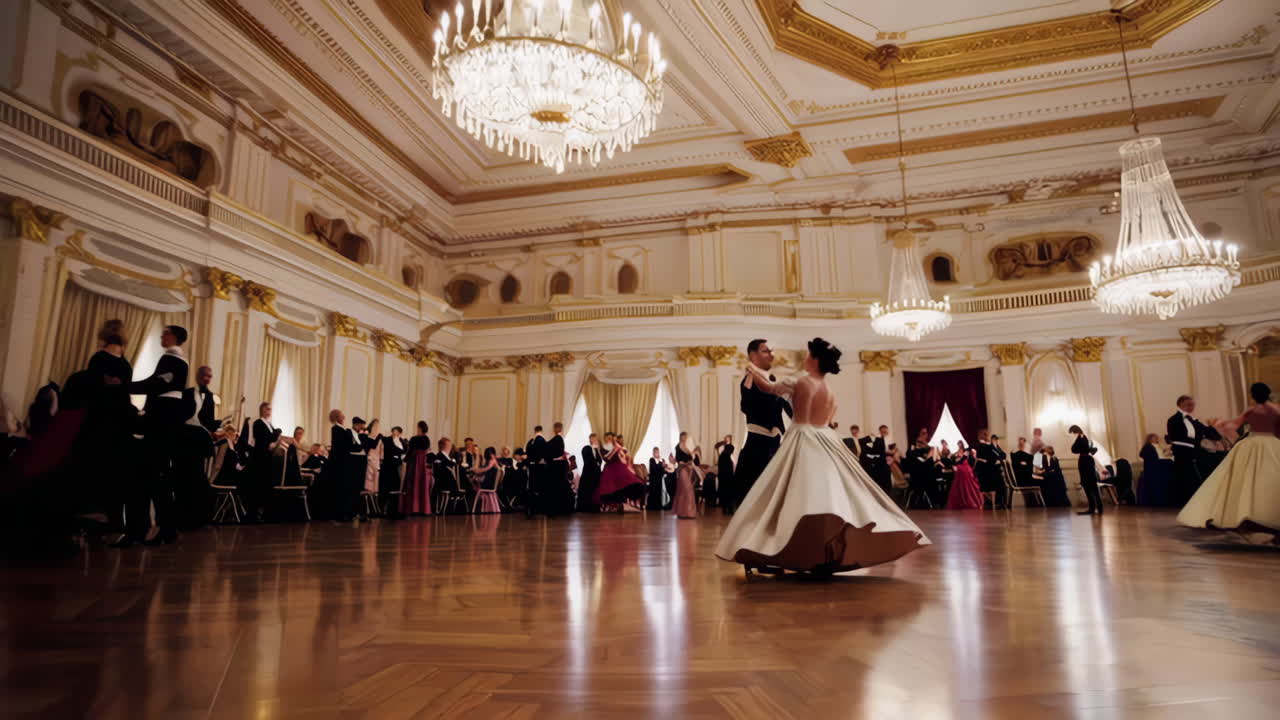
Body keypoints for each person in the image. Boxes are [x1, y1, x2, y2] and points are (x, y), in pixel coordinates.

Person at [716, 338, 929, 575]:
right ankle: (820, 551)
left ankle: (790, 550)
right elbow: (822, 417)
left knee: (789, 497)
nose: (803, 358)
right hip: (825, 439)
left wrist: (751, 371)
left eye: (807, 355)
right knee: (828, 498)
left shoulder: (801, 382)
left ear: (814, 360)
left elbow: (771, 389)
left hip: (802, 438)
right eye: (767, 351)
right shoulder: (829, 391)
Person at [1178, 383, 1280, 542]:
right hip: (1272, 444)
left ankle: (1238, 513)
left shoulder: (1251, 410)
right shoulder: (1275, 410)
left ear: (1253, 395)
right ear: (1268, 394)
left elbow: (1233, 425)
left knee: (1241, 480)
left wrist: (1220, 425)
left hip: (1250, 445)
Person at [125, 324, 189, 545]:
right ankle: (166, 528)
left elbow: (156, 385)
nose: (162, 335)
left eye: (166, 333)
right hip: (166, 421)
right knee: (158, 475)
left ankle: (155, 527)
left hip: (161, 420)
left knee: (152, 474)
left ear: (175, 337)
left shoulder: (173, 358)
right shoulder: (175, 360)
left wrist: (124, 387)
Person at [730, 339, 793, 514]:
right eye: (765, 351)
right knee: (751, 491)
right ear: (753, 355)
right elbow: (746, 402)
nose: (771, 354)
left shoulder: (773, 381)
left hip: (775, 444)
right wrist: (752, 374)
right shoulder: (749, 381)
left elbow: (787, 406)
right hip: (757, 444)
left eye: (771, 350)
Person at [1166, 395, 1221, 507]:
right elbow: (1175, 438)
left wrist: (1211, 426)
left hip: (1195, 453)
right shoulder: (1173, 420)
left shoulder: (1194, 420)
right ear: (1180, 405)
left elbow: (1215, 436)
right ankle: (1186, 504)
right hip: (1183, 455)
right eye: (1188, 405)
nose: (1191, 407)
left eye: (1193, 405)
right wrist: (1195, 445)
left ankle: (1203, 502)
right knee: (1186, 480)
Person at [596, 433, 645, 511]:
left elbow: (624, 457)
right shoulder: (603, 448)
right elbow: (606, 459)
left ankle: (620, 504)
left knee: (624, 484)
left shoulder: (617, 447)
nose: (609, 439)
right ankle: (613, 505)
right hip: (609, 470)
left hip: (619, 468)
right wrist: (614, 451)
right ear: (605, 439)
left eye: (610, 438)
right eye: (607, 438)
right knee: (610, 488)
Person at [401, 421, 433, 515]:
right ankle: (423, 508)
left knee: (413, 483)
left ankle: (412, 508)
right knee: (421, 485)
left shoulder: (414, 439)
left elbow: (410, 451)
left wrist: (406, 459)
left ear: (419, 428)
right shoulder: (427, 439)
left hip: (415, 462)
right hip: (422, 463)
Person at [1070, 425, 1102, 515]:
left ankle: (1094, 508)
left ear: (1075, 431)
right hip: (1086, 461)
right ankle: (1097, 507)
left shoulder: (1081, 437)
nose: (1073, 435)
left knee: (1089, 485)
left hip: (1085, 462)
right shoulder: (1083, 437)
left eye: (1073, 433)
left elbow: (1073, 449)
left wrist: (1077, 445)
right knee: (1091, 486)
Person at [975, 430, 1007, 509]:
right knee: (987, 486)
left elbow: (1003, 455)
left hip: (993, 468)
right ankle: (990, 503)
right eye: (985, 434)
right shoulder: (981, 445)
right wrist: (994, 460)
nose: (987, 436)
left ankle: (999, 503)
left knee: (1000, 484)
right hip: (985, 469)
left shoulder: (992, 445)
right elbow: (983, 457)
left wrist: (996, 449)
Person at [946, 442, 982, 509]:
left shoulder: (966, 452)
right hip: (962, 468)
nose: (959, 446)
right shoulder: (958, 452)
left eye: (959, 444)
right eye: (958, 445)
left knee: (964, 480)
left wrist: (955, 464)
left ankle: (967, 501)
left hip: (965, 468)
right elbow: (955, 460)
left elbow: (962, 460)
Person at [674, 431, 702, 519]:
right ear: (682, 437)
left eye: (686, 437)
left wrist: (694, 453)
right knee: (687, 490)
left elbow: (690, 458)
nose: (685, 438)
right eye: (684, 437)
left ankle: (684, 513)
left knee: (685, 490)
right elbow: (680, 460)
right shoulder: (679, 446)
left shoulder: (684, 446)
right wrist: (691, 457)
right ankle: (687, 512)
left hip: (687, 470)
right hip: (683, 470)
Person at [380, 425, 406, 518]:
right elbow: (391, 451)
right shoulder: (387, 440)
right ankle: (387, 510)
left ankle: (395, 509)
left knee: (398, 487)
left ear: (399, 433)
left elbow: (405, 451)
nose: (394, 433)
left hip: (399, 465)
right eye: (393, 431)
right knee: (389, 487)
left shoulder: (402, 441)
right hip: (389, 466)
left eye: (396, 431)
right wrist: (399, 452)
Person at [470, 447, 502, 513]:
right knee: (473, 480)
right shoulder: (490, 461)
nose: (491, 455)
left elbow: (486, 469)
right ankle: (476, 506)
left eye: (492, 454)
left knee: (472, 481)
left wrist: (477, 470)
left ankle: (474, 507)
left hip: (489, 484)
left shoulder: (493, 461)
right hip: (489, 482)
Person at [859, 426, 890, 492]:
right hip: (875, 461)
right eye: (883, 431)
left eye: (886, 431)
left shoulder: (887, 439)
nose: (885, 432)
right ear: (880, 431)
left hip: (882, 460)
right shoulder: (876, 439)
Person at [578, 433, 603, 513]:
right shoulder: (586, 448)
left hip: (596, 474)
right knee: (587, 491)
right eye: (593, 438)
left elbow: (599, 461)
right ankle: (585, 508)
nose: (595, 440)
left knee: (595, 491)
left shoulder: (598, 450)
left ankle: (595, 508)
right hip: (588, 474)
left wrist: (597, 450)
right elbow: (588, 461)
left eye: (596, 439)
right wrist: (594, 449)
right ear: (590, 440)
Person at [1010, 437, 1039, 506]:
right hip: (1021, 477)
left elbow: (1030, 467)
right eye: (1020, 443)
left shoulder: (1029, 455)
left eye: (1022, 443)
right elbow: (1016, 466)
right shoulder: (1015, 454)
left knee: (1039, 481)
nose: (1021, 445)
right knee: (1038, 481)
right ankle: (1033, 503)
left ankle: (1034, 502)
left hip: (1026, 475)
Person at [712, 435, 734, 509]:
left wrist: (724, 444)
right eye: (725, 438)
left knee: (726, 485)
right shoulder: (722, 447)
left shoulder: (730, 447)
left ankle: (726, 503)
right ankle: (722, 502)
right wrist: (722, 443)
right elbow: (716, 446)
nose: (725, 439)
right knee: (722, 485)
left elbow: (727, 452)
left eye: (727, 438)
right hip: (722, 468)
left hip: (727, 469)